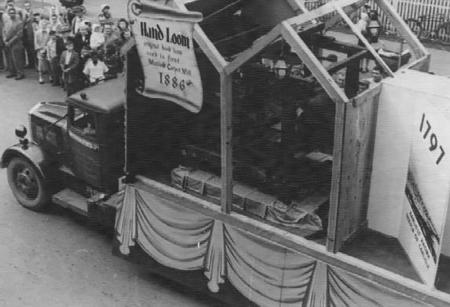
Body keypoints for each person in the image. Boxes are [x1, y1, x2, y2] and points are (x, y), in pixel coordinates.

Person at [3, 7, 25, 79]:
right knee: (10, 59)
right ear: (8, 14)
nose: (11, 14)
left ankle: (20, 73)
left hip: (17, 43)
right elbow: (5, 31)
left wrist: (10, 42)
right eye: (10, 13)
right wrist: (5, 40)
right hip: (8, 42)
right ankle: (12, 72)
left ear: (15, 13)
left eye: (13, 13)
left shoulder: (19, 22)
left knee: (17, 59)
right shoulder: (7, 22)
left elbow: (19, 35)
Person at [22, 1, 35, 68]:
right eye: (26, 6)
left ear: (30, 6)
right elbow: (22, 23)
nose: (27, 7)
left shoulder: (33, 13)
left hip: (31, 33)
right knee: (27, 49)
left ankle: (34, 64)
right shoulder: (23, 14)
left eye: (28, 6)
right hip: (25, 33)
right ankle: (30, 63)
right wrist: (25, 20)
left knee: (32, 49)